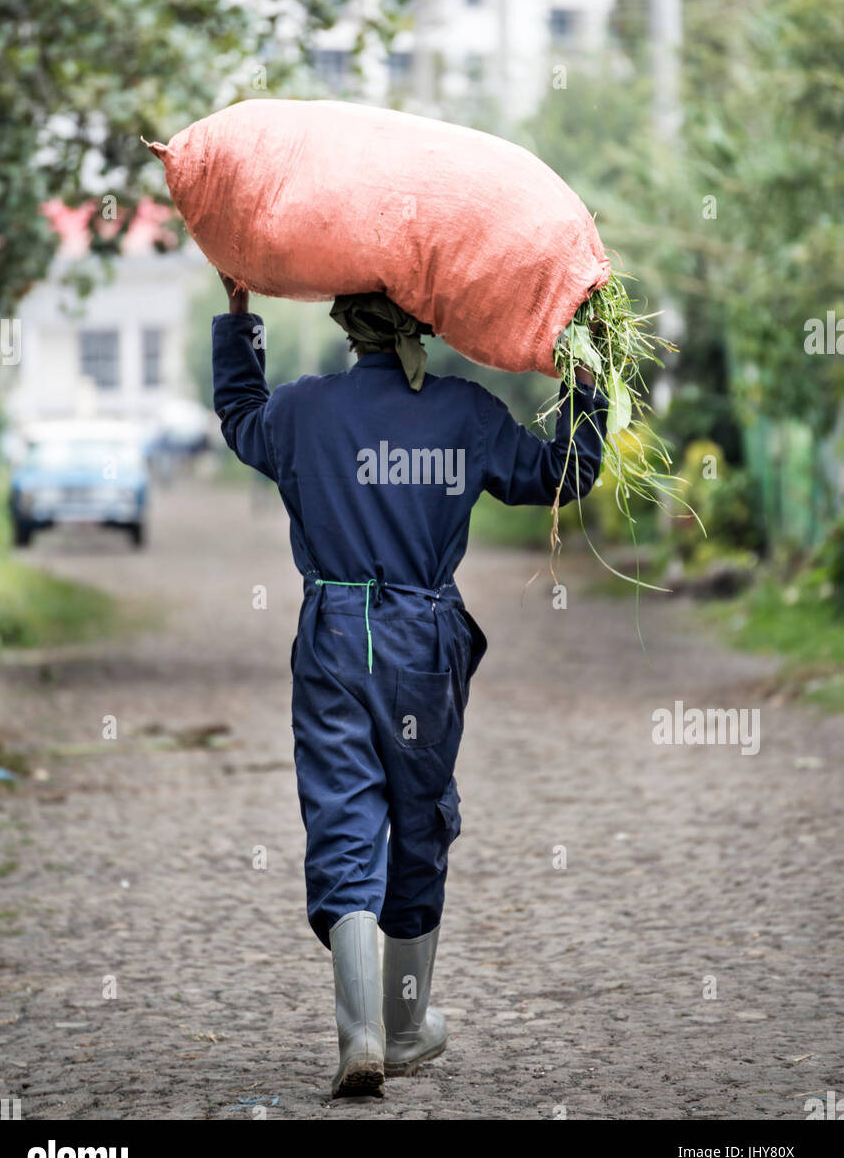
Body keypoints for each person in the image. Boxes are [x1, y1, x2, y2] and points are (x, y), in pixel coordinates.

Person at [211, 273, 609, 1098]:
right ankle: (402, 1025)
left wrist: (241, 315)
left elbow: (240, 422)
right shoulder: (465, 414)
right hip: (422, 644)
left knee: (342, 816)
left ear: (346, 327)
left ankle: (356, 1033)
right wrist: (587, 383)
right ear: (421, 324)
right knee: (419, 818)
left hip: (330, 635)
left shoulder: (303, 410)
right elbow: (561, 475)